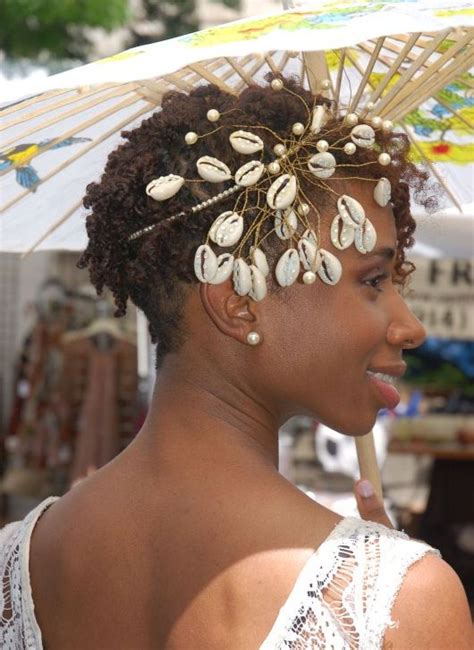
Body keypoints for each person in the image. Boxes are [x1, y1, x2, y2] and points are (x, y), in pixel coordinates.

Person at [1, 73, 472, 649]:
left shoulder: (18, 564)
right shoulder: (397, 601)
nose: (411, 328)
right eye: (373, 280)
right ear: (240, 306)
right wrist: (389, 599)